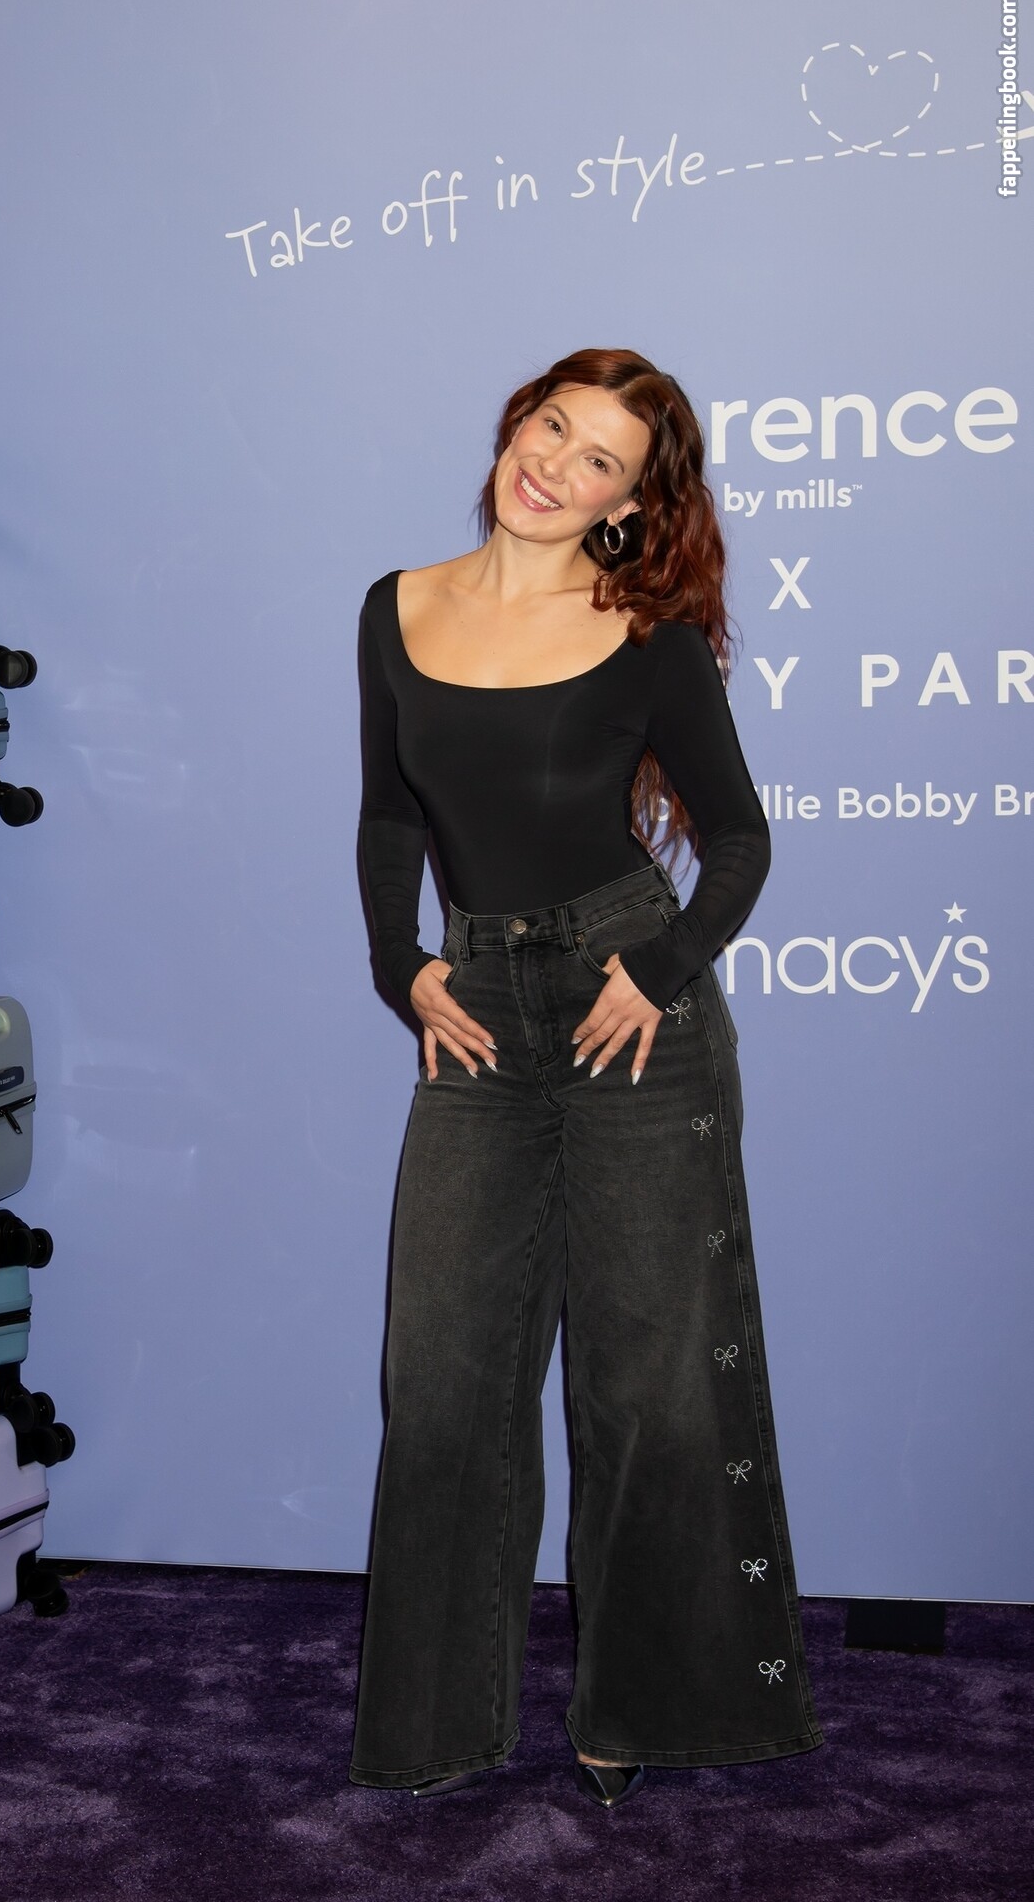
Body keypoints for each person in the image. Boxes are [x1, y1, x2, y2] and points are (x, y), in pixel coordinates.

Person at [347, 349, 822, 1807]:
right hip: (479, 1013)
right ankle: (435, 1725)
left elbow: (738, 841)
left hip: (632, 1015)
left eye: (598, 458)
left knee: (648, 1386)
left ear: (625, 503)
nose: (554, 463)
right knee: (441, 1381)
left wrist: (657, 972)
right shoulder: (395, 606)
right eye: (551, 426)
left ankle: (643, 1711)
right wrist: (400, 965)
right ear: (517, 424)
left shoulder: (648, 637)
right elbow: (389, 817)